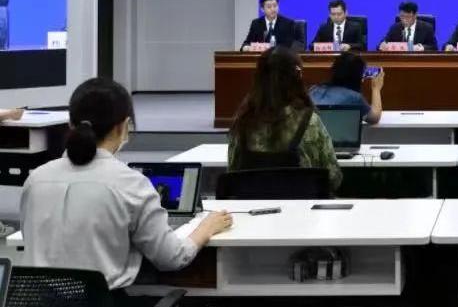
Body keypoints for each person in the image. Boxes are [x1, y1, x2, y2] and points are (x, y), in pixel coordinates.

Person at [19, 77, 232, 291]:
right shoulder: (131, 184)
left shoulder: (36, 179)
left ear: (70, 125)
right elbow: (171, 258)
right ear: (123, 127)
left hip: (37, 299)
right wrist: (205, 228)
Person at [228, 47, 343, 193]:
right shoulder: (310, 122)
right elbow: (333, 178)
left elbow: (232, 175)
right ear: (297, 77)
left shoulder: (243, 121)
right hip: (303, 205)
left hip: (251, 205)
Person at [309, 52, 384, 125]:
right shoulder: (355, 98)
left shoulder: (314, 89)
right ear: (357, 76)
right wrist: (376, 89)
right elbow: (375, 118)